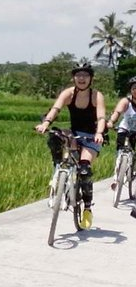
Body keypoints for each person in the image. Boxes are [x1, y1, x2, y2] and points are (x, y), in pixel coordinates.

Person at [35, 62, 106, 229]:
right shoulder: (68, 93)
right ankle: (59, 173)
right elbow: (55, 108)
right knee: (55, 137)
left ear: (91, 79)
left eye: (85, 75)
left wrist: (99, 133)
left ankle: (87, 208)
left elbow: (101, 117)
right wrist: (46, 123)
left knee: (84, 169)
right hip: (73, 134)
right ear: (73, 78)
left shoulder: (96, 96)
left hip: (90, 137)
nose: (81, 79)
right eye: (78, 75)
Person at [106, 76, 136, 190]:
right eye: (134, 88)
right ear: (131, 90)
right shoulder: (126, 101)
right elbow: (117, 112)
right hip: (125, 129)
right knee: (120, 152)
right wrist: (111, 122)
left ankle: (132, 170)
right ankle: (116, 178)